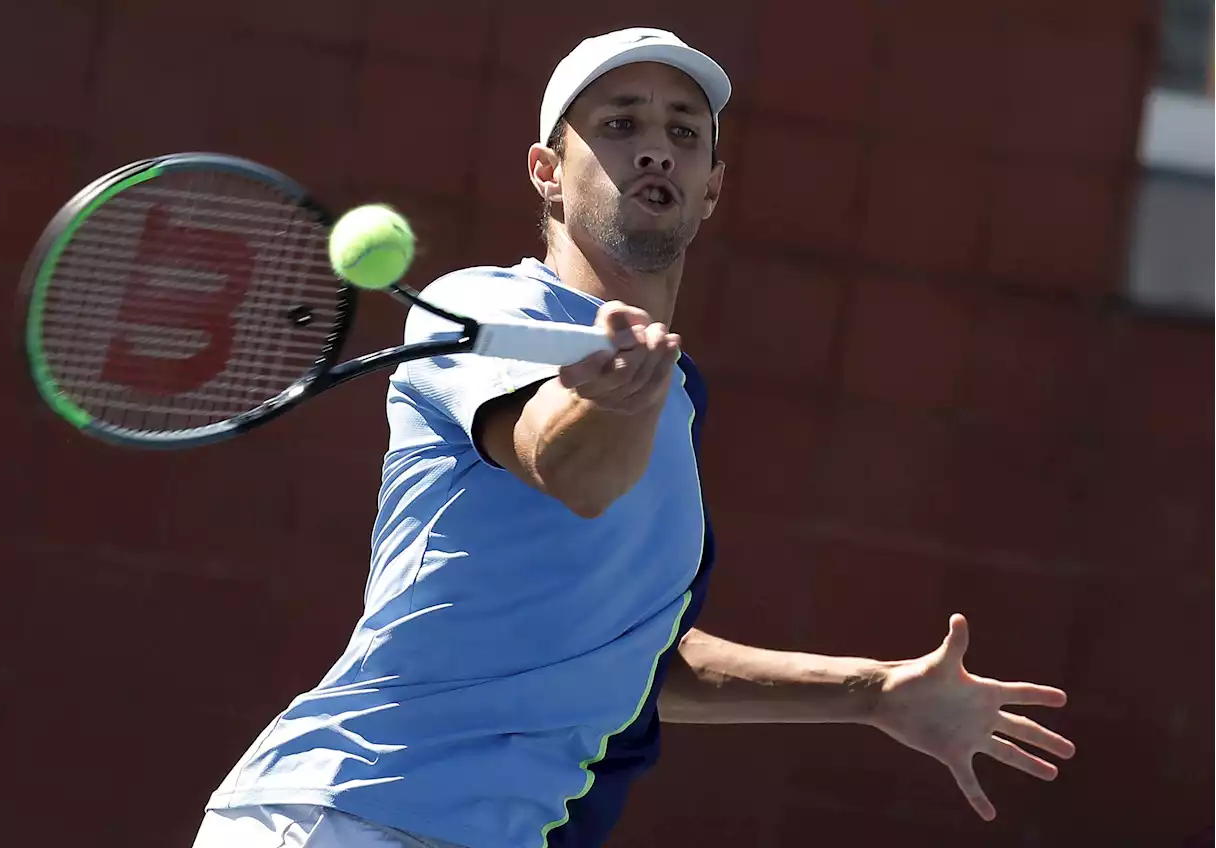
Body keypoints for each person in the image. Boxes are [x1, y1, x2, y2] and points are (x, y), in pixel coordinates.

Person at [192, 27, 1075, 848]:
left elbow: (635, 656)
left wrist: (871, 693)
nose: (657, 147)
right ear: (547, 170)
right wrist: (611, 403)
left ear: (712, 190)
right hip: (345, 812)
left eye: (685, 133)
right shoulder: (487, 308)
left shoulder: (668, 396)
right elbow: (566, 466)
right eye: (620, 124)